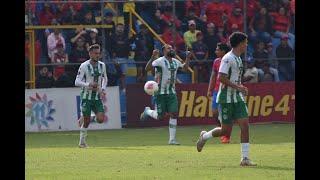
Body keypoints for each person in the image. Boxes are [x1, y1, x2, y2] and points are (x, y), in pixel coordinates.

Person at [196, 32, 257, 166]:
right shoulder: (227, 58)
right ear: (240, 44)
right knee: (225, 131)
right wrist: (238, 86)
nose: (247, 45)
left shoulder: (239, 59)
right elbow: (221, 77)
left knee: (245, 126)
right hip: (225, 98)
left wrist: (241, 86)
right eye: (245, 42)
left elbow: (235, 78)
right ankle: (204, 136)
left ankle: (245, 158)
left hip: (237, 97)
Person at [140, 44, 191, 145]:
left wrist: (188, 58)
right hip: (160, 93)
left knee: (174, 114)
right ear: (164, 51)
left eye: (172, 48)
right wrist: (152, 57)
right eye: (169, 48)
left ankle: (172, 139)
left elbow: (185, 68)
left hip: (171, 92)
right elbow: (147, 68)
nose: (171, 49)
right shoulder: (159, 61)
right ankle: (148, 111)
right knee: (160, 116)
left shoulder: (176, 62)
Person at [74, 44, 108, 148]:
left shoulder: (102, 65)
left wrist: (102, 89)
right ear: (90, 53)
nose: (98, 55)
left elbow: (105, 78)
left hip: (97, 97)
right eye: (95, 53)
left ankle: (85, 116)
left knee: (101, 119)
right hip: (86, 97)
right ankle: (82, 143)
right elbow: (77, 82)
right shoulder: (84, 66)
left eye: (99, 53)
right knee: (87, 122)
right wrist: (88, 85)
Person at [207, 42, 231, 143]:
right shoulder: (216, 61)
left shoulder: (229, 61)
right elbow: (213, 76)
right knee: (215, 113)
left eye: (217, 49)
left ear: (223, 51)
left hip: (226, 91)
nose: (215, 51)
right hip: (217, 90)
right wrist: (209, 89)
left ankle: (226, 136)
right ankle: (221, 130)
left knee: (224, 114)